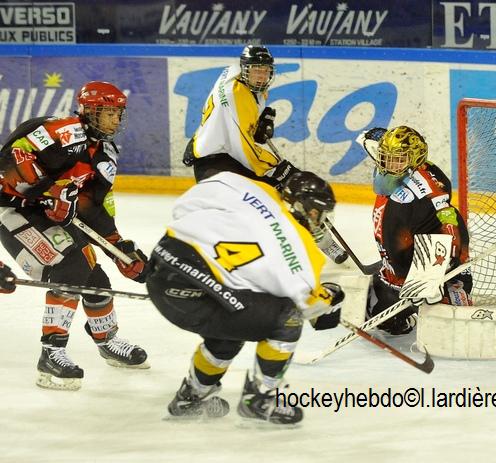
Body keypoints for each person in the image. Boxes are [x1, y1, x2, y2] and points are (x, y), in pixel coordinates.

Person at [145, 170, 344, 425]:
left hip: (161, 268)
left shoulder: (245, 186)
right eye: (320, 213)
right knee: (287, 317)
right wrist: (331, 297)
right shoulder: (301, 247)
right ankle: (260, 399)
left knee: (235, 321)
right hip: (197, 296)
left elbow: (184, 206)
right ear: (310, 211)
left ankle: (191, 398)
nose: (321, 220)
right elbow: (307, 304)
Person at [0, 81, 149, 391]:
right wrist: (48, 193)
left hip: (43, 213)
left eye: (118, 114)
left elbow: (91, 207)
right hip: (11, 209)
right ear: (90, 111)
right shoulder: (61, 132)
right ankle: (51, 353)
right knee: (71, 265)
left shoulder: (105, 154)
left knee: (94, 276)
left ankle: (107, 340)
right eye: (108, 113)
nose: (115, 121)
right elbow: (13, 160)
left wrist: (118, 249)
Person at [182, 44, 348, 264]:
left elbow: (229, 123)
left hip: (225, 151)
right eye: (255, 70)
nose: (261, 76)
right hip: (218, 162)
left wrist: (257, 122)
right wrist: (278, 169)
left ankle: (320, 238)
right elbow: (245, 150)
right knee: (264, 204)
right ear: (245, 69)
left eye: (265, 71)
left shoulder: (236, 76)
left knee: (287, 194)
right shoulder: (235, 96)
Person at [357, 125, 473, 335]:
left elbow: (449, 222)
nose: (390, 165)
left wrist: (435, 273)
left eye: (398, 160)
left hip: (433, 257)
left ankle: (451, 287)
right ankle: (394, 293)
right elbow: (375, 141)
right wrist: (373, 136)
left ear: (414, 160)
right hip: (399, 263)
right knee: (384, 322)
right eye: (386, 158)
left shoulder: (430, 191)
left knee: (449, 328)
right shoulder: (392, 165)